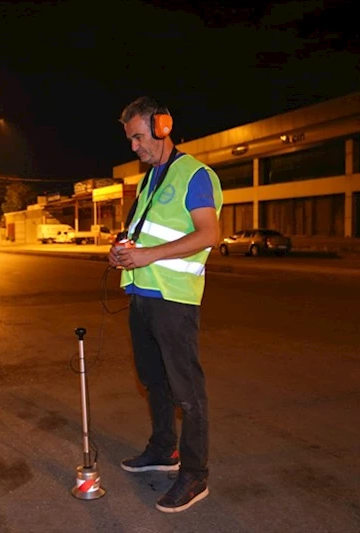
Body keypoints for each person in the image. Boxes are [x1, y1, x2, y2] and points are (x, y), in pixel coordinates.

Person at [110, 96, 223, 513]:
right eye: (130, 139)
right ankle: (163, 450)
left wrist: (147, 256)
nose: (134, 146)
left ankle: (195, 474)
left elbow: (209, 234)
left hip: (174, 300)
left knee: (187, 391)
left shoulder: (195, 174)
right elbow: (144, 234)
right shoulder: (148, 179)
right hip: (142, 294)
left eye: (139, 136)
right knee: (152, 380)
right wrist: (122, 251)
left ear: (162, 127)